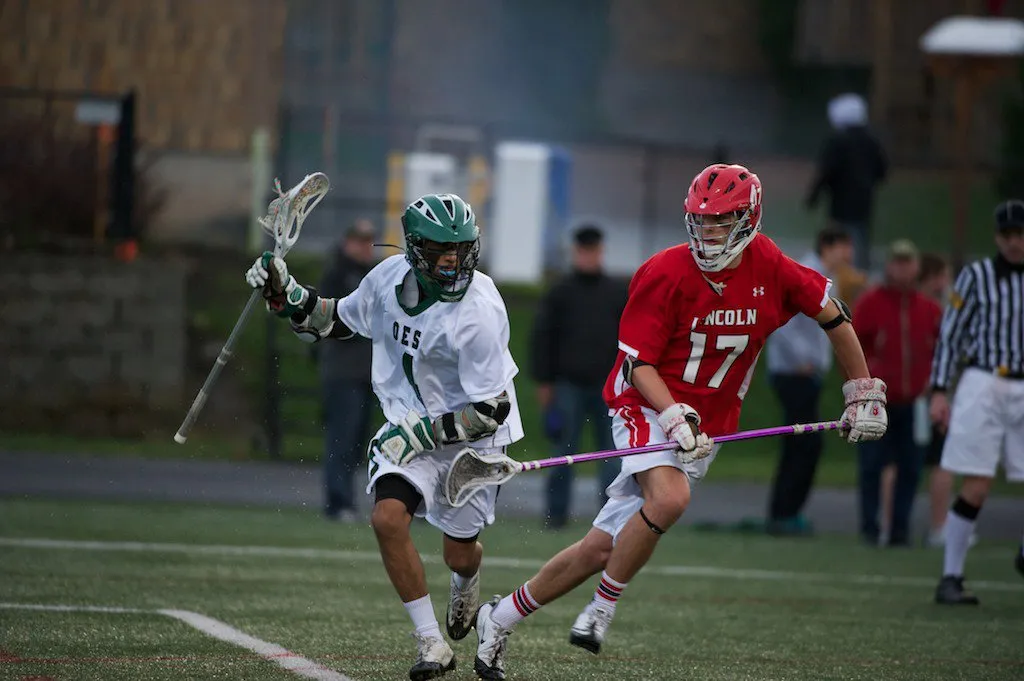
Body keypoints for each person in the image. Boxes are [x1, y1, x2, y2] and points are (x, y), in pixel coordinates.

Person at [472, 163, 888, 680]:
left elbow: (834, 315)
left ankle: (499, 617)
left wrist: (862, 390)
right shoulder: (665, 271)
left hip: (709, 424)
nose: (709, 232)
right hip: (644, 404)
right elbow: (637, 364)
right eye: (702, 220)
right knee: (669, 499)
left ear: (749, 218)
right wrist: (671, 415)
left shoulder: (770, 265)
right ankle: (600, 609)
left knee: (601, 547)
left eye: (721, 221)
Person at [246, 193, 524, 678]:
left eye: (460, 249)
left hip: (472, 440)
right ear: (414, 249)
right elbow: (332, 321)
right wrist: (286, 294)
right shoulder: (386, 278)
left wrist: (423, 435)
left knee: (458, 553)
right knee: (387, 518)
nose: (452, 261)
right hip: (409, 422)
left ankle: (467, 580)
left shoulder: (480, 309)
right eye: (440, 250)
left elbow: (490, 410)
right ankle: (431, 643)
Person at [930, 199, 1024, 605]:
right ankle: (951, 575)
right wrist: (939, 390)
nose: (1015, 243)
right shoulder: (977, 276)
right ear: (997, 237)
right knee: (978, 482)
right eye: (1008, 235)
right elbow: (950, 335)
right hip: (984, 380)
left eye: (1020, 235)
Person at [530, 225, 629, 529]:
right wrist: (544, 382)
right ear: (576, 252)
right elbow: (542, 338)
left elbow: (629, 340)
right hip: (567, 385)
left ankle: (611, 517)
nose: (588, 256)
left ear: (601, 252)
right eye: (584, 251)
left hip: (608, 387)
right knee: (563, 452)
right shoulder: (560, 292)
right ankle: (556, 515)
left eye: (593, 251)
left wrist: (627, 381)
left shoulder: (616, 292)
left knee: (612, 455)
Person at [763, 228, 853, 536]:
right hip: (793, 373)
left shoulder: (830, 277)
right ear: (828, 246)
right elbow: (782, 324)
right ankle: (784, 512)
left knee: (802, 444)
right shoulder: (806, 272)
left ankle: (786, 512)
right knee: (804, 443)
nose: (849, 254)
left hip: (808, 374)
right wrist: (803, 360)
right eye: (844, 246)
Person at [852, 240, 942, 547]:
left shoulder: (929, 308)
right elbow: (853, 344)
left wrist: (933, 381)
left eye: (908, 263)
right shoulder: (870, 303)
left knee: (911, 466)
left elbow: (942, 348)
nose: (903, 269)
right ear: (889, 266)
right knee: (871, 464)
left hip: (914, 400)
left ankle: (900, 528)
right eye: (898, 263)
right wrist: (862, 381)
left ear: (916, 267)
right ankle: (870, 526)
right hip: (876, 399)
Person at [318, 219, 378, 522]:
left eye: (369, 241)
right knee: (342, 438)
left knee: (358, 442)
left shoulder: (373, 276)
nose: (365, 247)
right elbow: (328, 319)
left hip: (369, 374)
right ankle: (338, 500)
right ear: (347, 242)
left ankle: (348, 499)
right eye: (360, 240)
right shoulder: (337, 275)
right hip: (343, 372)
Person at [805, 93, 889, 271]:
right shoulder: (872, 142)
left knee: (838, 239)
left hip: (840, 204)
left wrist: (813, 197)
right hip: (864, 203)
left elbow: (826, 171)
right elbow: (882, 171)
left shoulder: (838, 141)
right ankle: (860, 273)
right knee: (860, 240)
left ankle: (839, 274)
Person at [916, 253, 959, 547]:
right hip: (927, 394)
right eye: (943, 276)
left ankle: (936, 525)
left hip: (927, 393)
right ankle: (939, 525)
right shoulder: (930, 310)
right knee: (940, 459)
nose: (947, 283)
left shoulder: (935, 308)